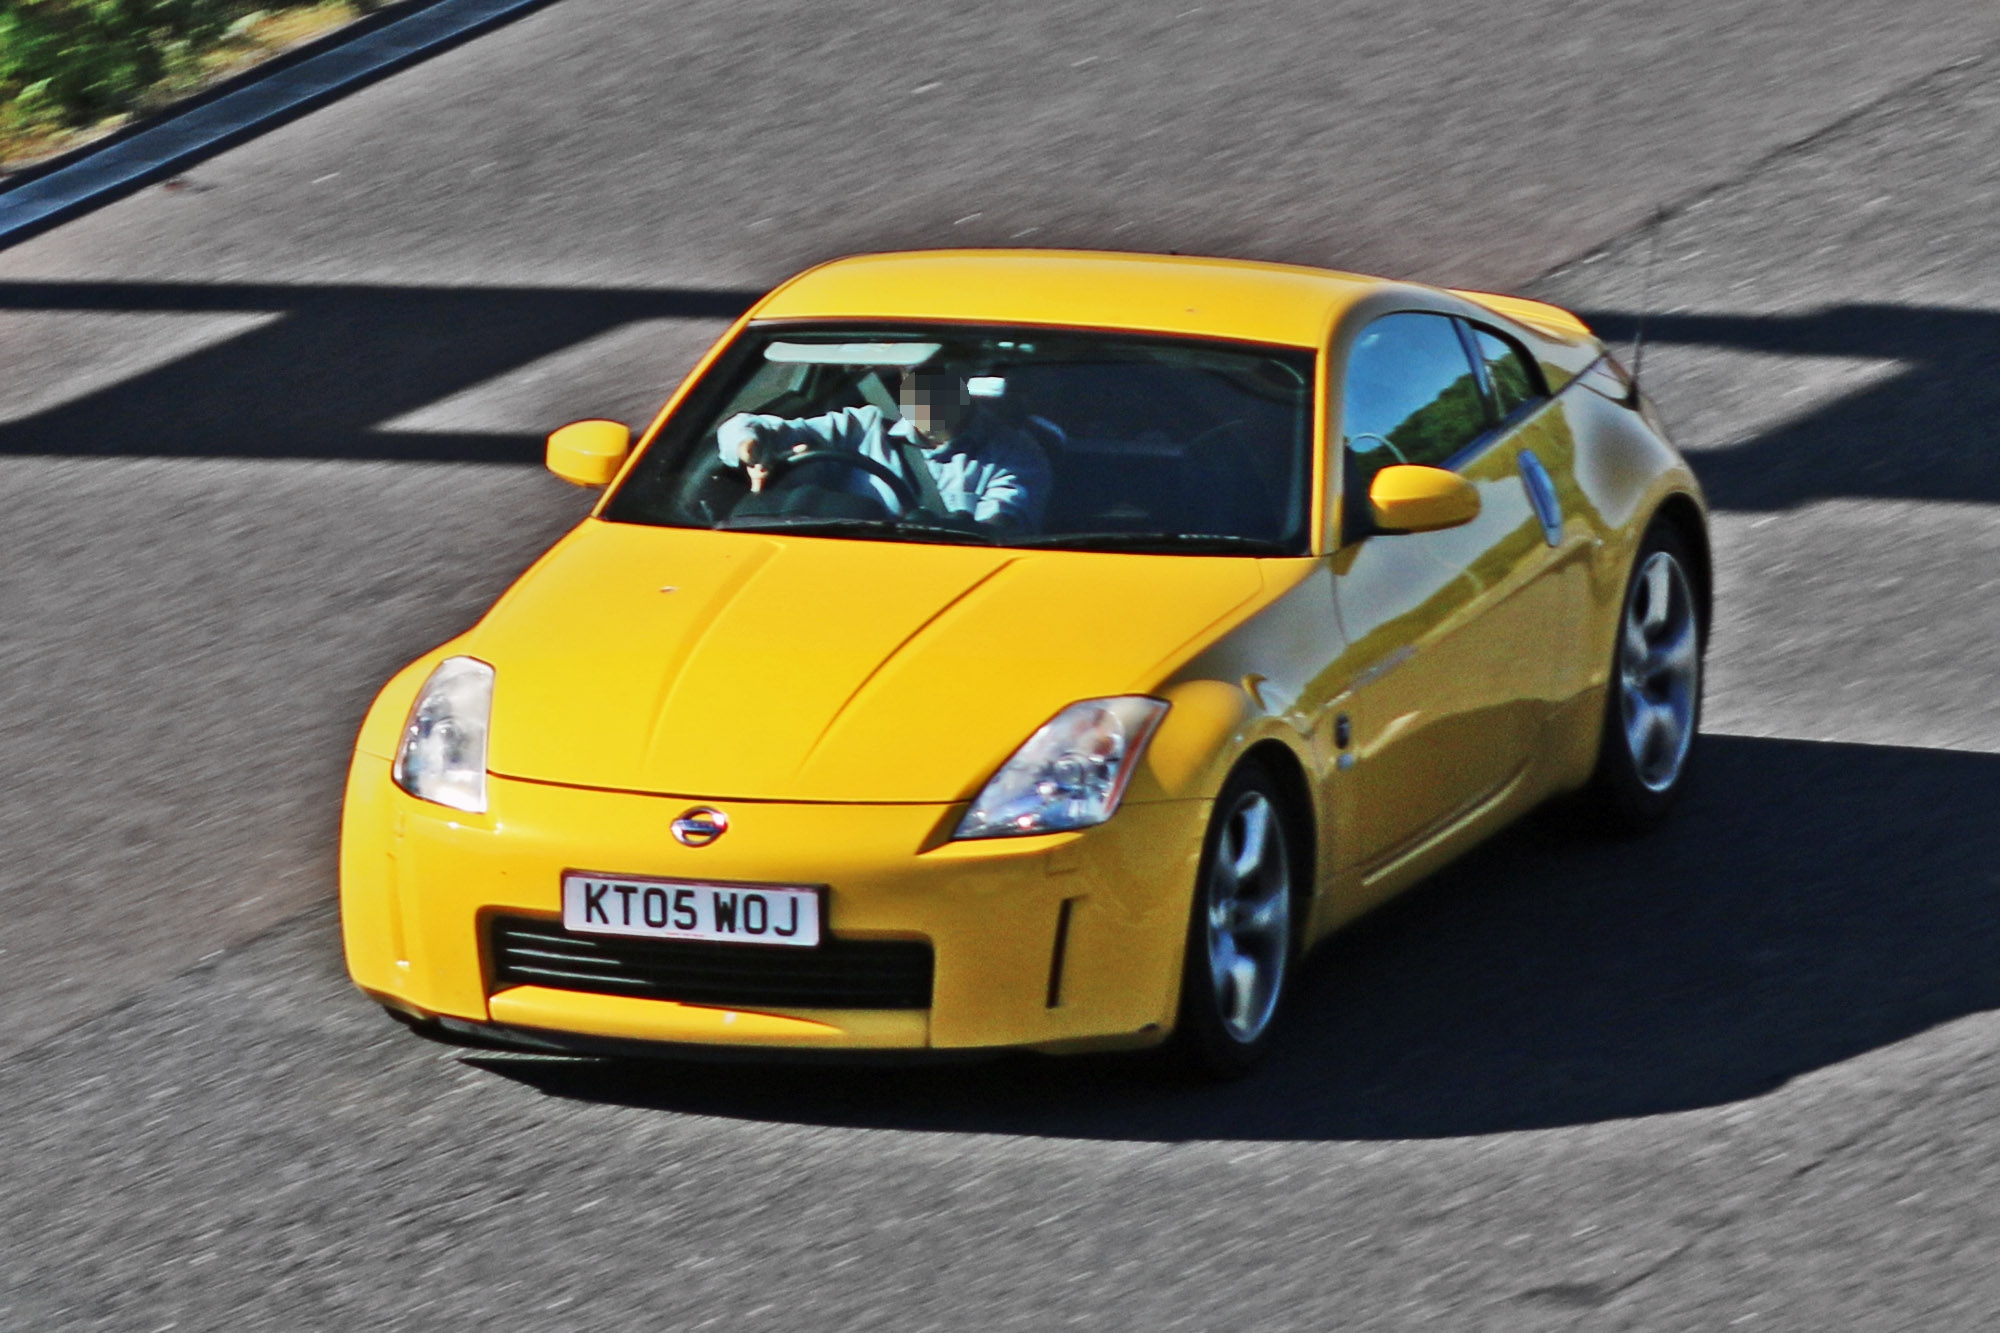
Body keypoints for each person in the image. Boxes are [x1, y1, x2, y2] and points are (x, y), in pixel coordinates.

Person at [714, 368, 1051, 530]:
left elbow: (997, 532)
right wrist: (752, 449)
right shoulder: (864, 426)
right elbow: (743, 429)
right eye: (918, 379)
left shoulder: (1016, 455)